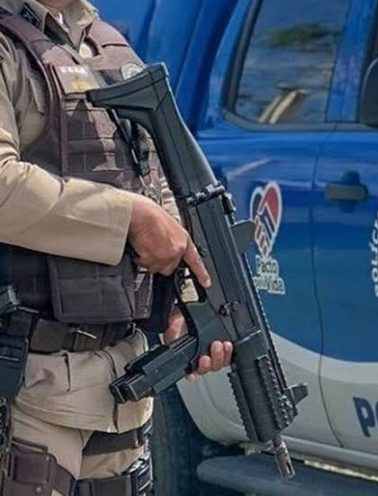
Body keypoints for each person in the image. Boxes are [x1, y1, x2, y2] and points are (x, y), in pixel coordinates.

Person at [0, 0, 233, 494]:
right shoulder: (6, 45)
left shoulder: (107, 44)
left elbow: (156, 181)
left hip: (119, 383)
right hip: (25, 383)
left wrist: (187, 300)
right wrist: (128, 218)